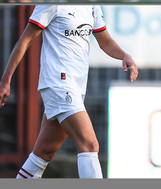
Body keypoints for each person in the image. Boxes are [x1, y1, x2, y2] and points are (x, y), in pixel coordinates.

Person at [0, 5, 138, 178]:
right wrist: (6, 80)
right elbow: (25, 40)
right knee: (89, 145)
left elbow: (105, 41)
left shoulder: (92, 5)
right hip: (59, 83)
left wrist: (125, 56)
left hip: (75, 87)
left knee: (45, 152)